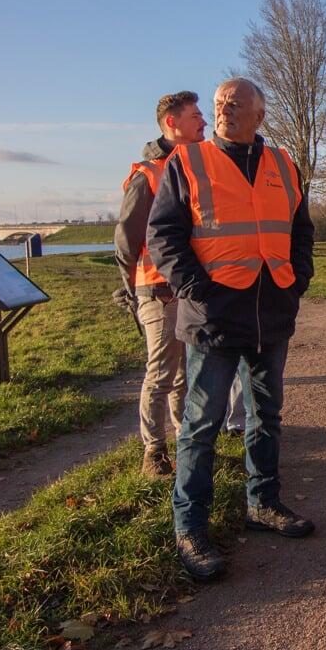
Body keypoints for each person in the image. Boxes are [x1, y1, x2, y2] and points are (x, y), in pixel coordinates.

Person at [146, 78, 316, 581]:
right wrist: (199, 290)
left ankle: (262, 503)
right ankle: (190, 528)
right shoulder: (188, 161)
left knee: (267, 416)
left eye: (235, 104)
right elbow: (164, 236)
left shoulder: (283, 164)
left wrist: (297, 280)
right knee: (201, 425)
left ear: (260, 115)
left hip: (272, 311)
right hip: (215, 317)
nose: (223, 110)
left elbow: (300, 230)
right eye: (219, 103)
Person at [114, 90, 206, 477]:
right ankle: (153, 451)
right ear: (173, 122)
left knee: (185, 373)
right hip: (159, 289)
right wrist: (135, 291)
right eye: (196, 116)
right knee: (161, 372)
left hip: (190, 288)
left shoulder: (198, 165)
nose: (204, 122)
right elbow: (126, 239)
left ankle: (187, 444)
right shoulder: (148, 173)